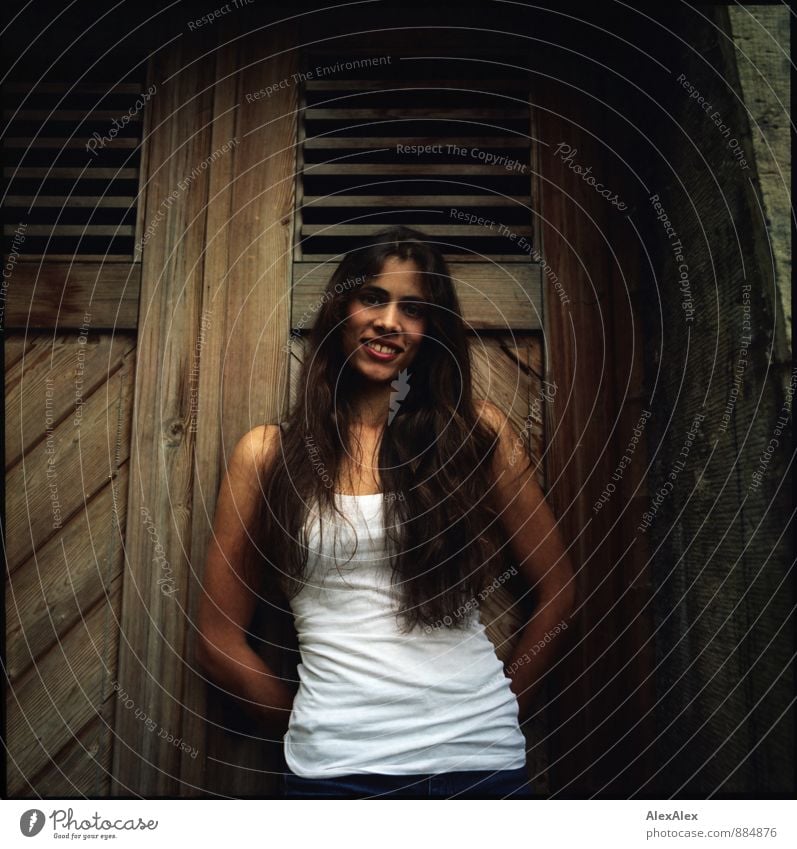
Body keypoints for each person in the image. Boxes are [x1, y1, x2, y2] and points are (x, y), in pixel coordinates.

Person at [197, 226, 575, 799]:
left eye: (413, 308)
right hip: (337, 774)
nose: (390, 322)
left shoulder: (474, 435)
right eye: (373, 298)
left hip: (480, 766)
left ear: (431, 332)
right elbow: (219, 637)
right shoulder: (268, 456)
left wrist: (498, 704)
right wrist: (318, 725)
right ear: (340, 310)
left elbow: (559, 591)